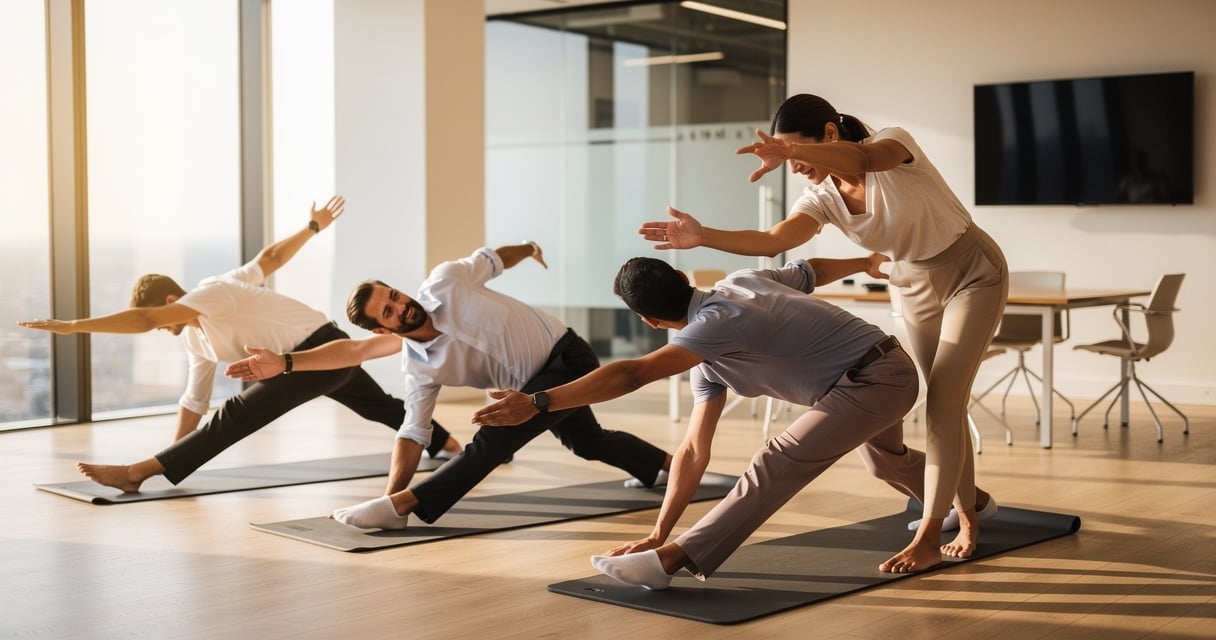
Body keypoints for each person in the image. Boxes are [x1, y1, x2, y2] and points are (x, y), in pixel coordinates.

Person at [636, 94, 1008, 572]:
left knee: (944, 403)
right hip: (911, 283)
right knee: (943, 406)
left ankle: (934, 533)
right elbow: (774, 240)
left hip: (972, 272)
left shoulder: (893, 145)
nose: (793, 166)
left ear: (829, 134)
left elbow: (863, 159)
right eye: (786, 155)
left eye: (796, 151)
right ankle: (969, 513)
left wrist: (792, 151)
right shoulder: (823, 198)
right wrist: (704, 235)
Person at [473, 256, 993, 589]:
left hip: (872, 377)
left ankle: (673, 561)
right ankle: (974, 501)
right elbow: (693, 451)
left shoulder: (713, 325)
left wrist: (539, 401)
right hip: (871, 372)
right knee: (885, 465)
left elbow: (634, 373)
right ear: (684, 278)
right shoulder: (736, 292)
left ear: (649, 321)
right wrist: (657, 528)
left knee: (777, 458)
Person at [18, 195, 459, 494]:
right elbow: (194, 402)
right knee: (378, 405)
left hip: (322, 347)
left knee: (237, 412)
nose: (158, 329)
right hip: (304, 362)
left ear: (172, 302)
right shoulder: (197, 340)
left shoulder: (214, 292)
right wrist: (174, 454)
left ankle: (136, 474)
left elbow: (268, 260)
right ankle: (448, 445)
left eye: (160, 319)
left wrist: (73, 326)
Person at [224, 243, 672, 529]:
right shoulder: (419, 368)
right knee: (587, 442)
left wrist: (529, 249)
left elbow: (494, 258)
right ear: (383, 330)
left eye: (395, 296)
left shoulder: (446, 281)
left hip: (566, 355)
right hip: (528, 389)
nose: (401, 306)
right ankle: (666, 466)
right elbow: (413, 432)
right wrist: (387, 489)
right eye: (389, 312)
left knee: (494, 439)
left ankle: (406, 506)